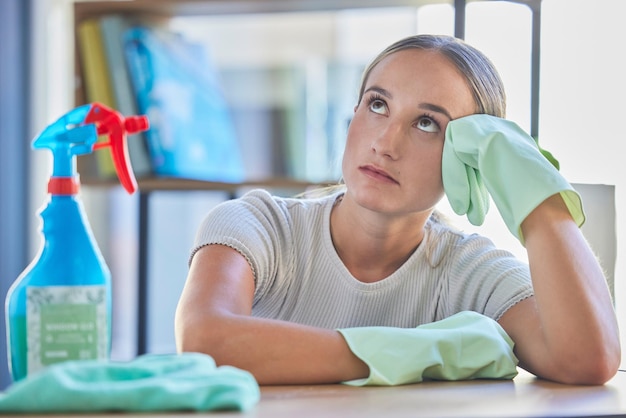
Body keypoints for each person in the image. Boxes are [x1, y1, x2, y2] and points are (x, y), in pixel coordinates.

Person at [175, 34, 621, 386]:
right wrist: (414, 352)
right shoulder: (258, 224)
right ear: (353, 113)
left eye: (427, 123)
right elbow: (205, 340)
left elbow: (587, 359)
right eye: (378, 105)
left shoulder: (468, 270)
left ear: (465, 161)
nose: (385, 144)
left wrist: (538, 197)